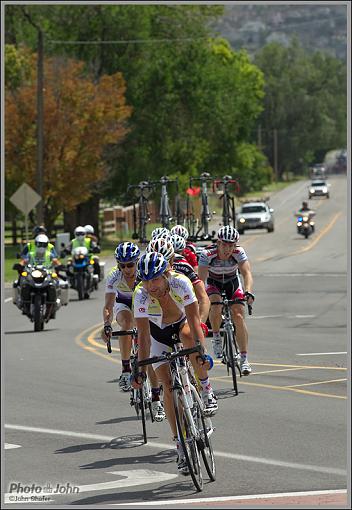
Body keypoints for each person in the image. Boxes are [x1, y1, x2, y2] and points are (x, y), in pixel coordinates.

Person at [132, 251, 217, 474]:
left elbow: (194, 319)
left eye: (155, 279)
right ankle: (179, 442)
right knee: (167, 385)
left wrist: (202, 350)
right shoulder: (140, 295)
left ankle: (206, 389)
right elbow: (142, 336)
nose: (151, 286)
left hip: (181, 326)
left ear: (166, 274)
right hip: (156, 334)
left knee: (190, 338)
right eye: (146, 280)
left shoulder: (181, 283)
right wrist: (140, 369)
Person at [100, 242, 165, 422]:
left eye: (131, 264)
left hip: (143, 304)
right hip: (124, 304)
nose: (127, 269)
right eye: (123, 265)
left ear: (137, 262)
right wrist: (107, 323)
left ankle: (156, 399)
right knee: (126, 323)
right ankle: (126, 369)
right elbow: (108, 305)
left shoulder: (144, 274)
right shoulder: (114, 276)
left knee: (148, 350)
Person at [198, 225, 254, 375]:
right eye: (224, 244)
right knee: (215, 306)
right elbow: (201, 280)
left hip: (232, 282)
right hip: (213, 283)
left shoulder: (239, 252)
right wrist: (202, 298)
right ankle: (216, 336)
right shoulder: (207, 254)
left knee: (238, 315)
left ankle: (244, 358)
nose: (227, 249)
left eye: (231, 245)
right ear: (218, 243)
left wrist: (248, 292)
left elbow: (246, 274)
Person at [147, 235, 210, 328]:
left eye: (164, 264)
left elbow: (203, 298)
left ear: (171, 260)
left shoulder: (184, 267)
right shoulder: (142, 270)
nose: (159, 269)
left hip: (182, 316)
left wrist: (200, 324)